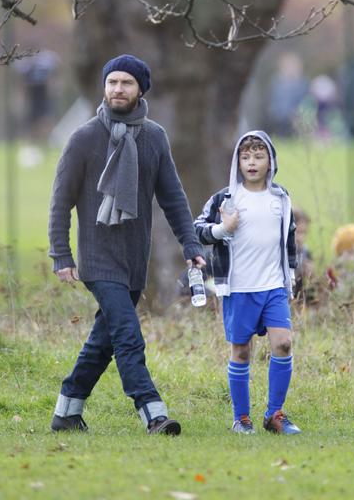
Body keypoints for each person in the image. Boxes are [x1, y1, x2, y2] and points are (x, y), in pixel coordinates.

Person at [48, 54, 205, 435]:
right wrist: (61, 254)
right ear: (104, 87)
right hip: (97, 260)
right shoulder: (84, 138)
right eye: (112, 82)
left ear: (140, 90)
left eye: (126, 83)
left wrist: (191, 244)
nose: (118, 89)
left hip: (135, 260)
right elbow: (61, 199)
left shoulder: (154, 137)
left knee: (104, 341)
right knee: (127, 335)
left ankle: (66, 412)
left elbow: (173, 197)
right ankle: (152, 412)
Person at [194, 131, 301, 435]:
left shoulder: (281, 198)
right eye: (245, 157)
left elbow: (289, 241)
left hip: (274, 288)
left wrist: (289, 278)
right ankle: (241, 419)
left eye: (258, 156)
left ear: (270, 162)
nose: (252, 163)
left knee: (283, 343)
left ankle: (274, 415)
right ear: (237, 162)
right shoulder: (225, 199)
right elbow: (197, 230)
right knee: (241, 351)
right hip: (239, 289)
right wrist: (222, 228)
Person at [293, 207, 314, 299]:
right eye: (297, 232)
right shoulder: (279, 253)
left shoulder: (305, 252)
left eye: (304, 233)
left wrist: (310, 274)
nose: (300, 238)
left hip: (298, 301)